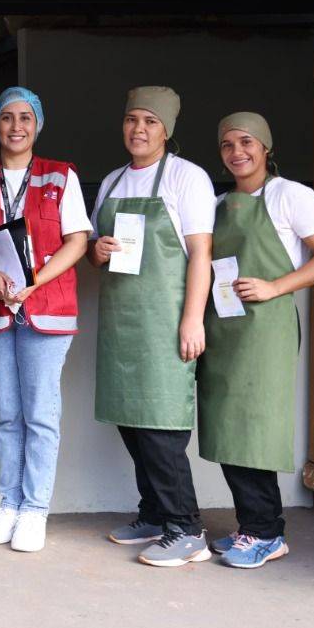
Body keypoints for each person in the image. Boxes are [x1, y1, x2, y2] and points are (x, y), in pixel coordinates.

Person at [200, 112, 314, 569]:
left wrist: (276, 286)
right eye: (227, 145)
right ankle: (250, 526)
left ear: (266, 148)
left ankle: (267, 532)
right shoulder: (218, 204)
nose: (237, 152)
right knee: (226, 426)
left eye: (246, 142)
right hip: (224, 325)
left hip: (265, 327)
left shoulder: (291, 196)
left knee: (254, 427)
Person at [90, 86, 216, 567]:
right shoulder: (113, 181)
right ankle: (156, 513)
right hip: (122, 323)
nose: (138, 129)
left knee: (162, 425)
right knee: (130, 421)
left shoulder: (188, 179)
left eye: (150, 121)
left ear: (167, 130)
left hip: (165, 320)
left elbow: (200, 253)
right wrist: (97, 252)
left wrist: (192, 320)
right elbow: (97, 248)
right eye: (131, 120)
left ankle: (187, 529)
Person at [0, 88, 90, 553]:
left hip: (46, 304)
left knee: (40, 414)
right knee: (7, 413)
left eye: (25, 118)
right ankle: (9, 504)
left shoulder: (61, 174)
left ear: (38, 124)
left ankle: (36, 508)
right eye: (7, 118)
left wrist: (36, 282)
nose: (16, 127)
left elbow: (77, 240)